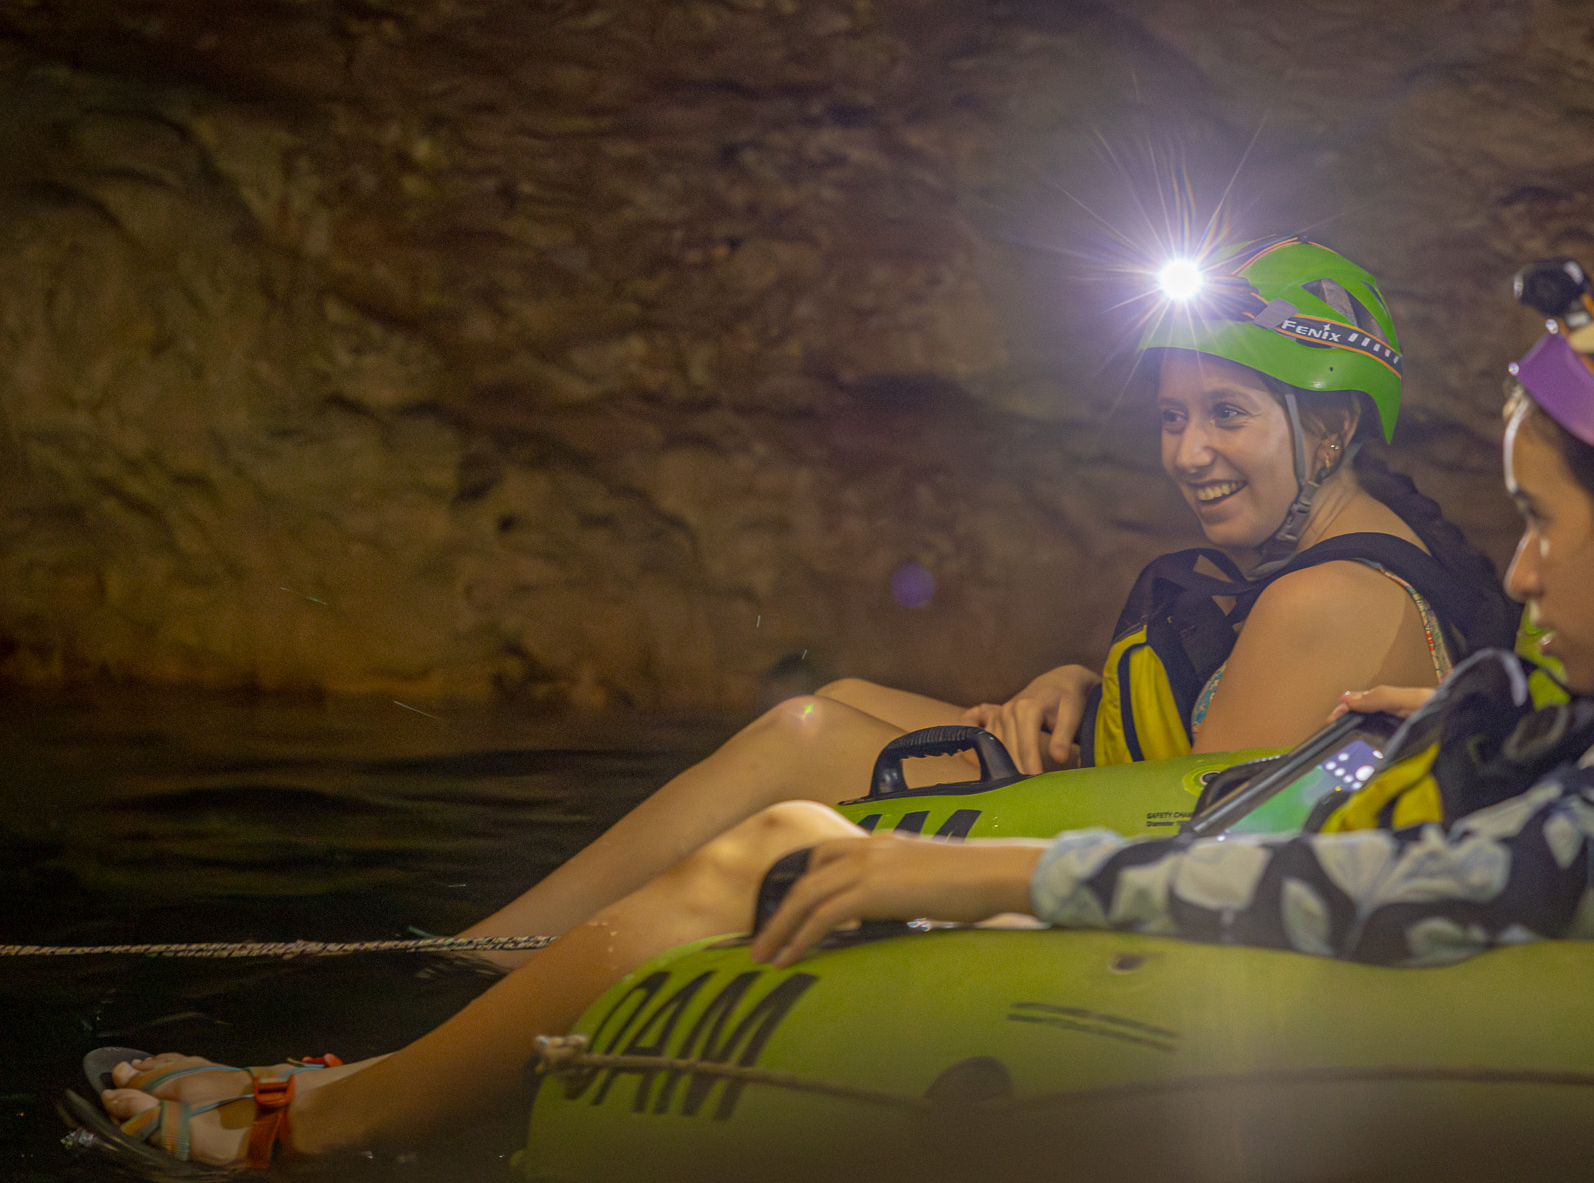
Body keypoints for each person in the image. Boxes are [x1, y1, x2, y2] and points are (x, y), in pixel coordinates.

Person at [93, 246, 1594, 1169]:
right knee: (809, 783)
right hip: (1321, 819)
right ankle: (408, 1052)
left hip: (1268, 893)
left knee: (780, 842)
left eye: (1540, 526)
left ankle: (313, 1117)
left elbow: (1386, 901)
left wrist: (978, 882)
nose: (1516, 568)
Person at [454, 236, 1515, 951]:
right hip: (1130, 823)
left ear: (1329, 429)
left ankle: (484, 967)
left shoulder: (1326, 599)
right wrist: (1075, 684)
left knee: (807, 742)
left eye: (1226, 413)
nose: (1187, 452)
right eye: (1170, 416)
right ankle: (496, 954)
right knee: (832, 708)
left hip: (1162, 916)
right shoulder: (1353, 557)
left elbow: (1184, 852)